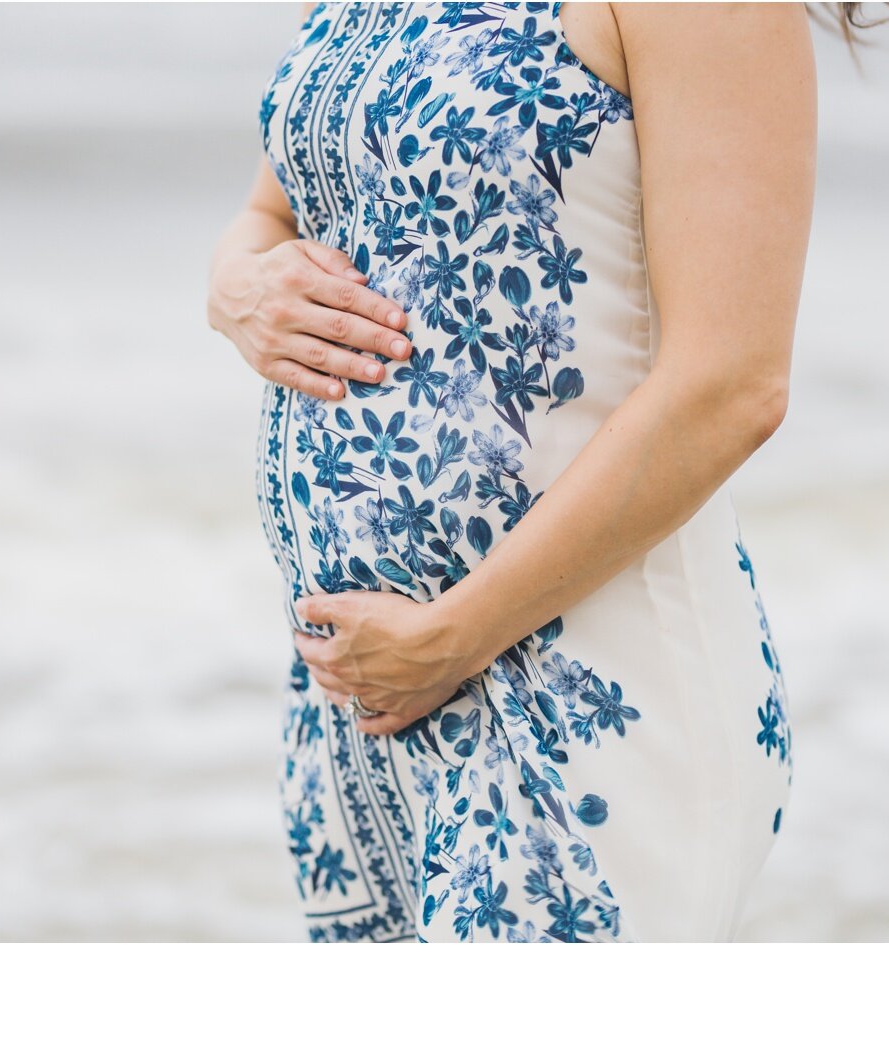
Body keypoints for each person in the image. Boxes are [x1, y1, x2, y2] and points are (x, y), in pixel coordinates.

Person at [208, 2, 826, 941]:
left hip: (582, 693)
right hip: (362, 703)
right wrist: (236, 287)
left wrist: (454, 633)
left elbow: (732, 386)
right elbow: (273, 209)